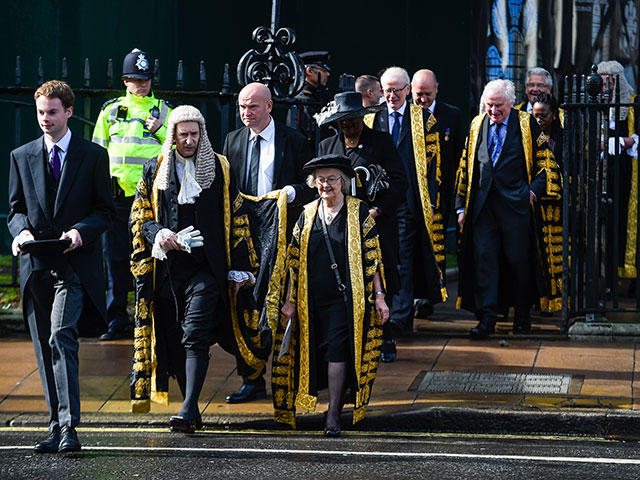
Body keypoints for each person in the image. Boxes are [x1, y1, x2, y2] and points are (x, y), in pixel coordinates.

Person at [129, 105, 253, 433]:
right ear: (172, 135)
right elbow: (140, 217)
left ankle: (185, 410)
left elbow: (238, 216)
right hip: (169, 269)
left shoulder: (221, 167)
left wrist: (239, 269)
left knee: (195, 334)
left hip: (207, 269)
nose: (189, 140)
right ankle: (193, 407)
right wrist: (161, 235)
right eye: (182, 134)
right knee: (174, 337)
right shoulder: (153, 169)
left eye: (194, 134)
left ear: (202, 133)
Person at [8, 80, 115, 452]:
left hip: (74, 266)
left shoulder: (93, 155)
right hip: (36, 264)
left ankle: (69, 427)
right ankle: (55, 425)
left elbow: (106, 211)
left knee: (59, 335)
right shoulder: (21, 156)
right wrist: (19, 232)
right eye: (40, 112)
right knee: (43, 346)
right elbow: (15, 208)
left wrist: (80, 233)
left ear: (68, 111)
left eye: (52, 112)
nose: (45, 119)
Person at [272, 154, 389, 435]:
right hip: (310, 301)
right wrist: (288, 300)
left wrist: (381, 297)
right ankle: (324, 404)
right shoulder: (307, 214)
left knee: (337, 351)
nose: (326, 185)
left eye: (332, 179)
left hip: (345, 300)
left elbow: (374, 258)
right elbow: (293, 261)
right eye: (321, 179)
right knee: (317, 352)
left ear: (343, 182)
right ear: (314, 183)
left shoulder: (358, 212)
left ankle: (333, 413)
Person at [222, 82, 313, 403]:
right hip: (246, 238)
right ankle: (251, 378)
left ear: (270, 107)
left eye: (253, 107)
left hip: (283, 237)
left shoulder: (295, 141)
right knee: (246, 304)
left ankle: (287, 377)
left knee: (284, 306)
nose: (246, 113)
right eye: (242, 107)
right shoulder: (232, 141)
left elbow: (311, 186)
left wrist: (292, 192)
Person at [455, 79, 563, 338]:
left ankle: (522, 316)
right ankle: (487, 318)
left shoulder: (526, 124)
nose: (493, 111)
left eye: (499, 106)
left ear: (511, 102)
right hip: (482, 208)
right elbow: (465, 167)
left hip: (516, 208)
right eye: (489, 105)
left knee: (518, 263)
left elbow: (546, 165)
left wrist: (532, 193)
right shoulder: (477, 123)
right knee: (485, 261)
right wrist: (460, 207)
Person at [316, 91, 407, 363]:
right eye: (342, 121)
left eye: (352, 119)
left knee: (379, 277)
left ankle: (386, 334)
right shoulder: (327, 146)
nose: (347, 125)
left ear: (362, 118)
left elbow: (400, 182)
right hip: (339, 229)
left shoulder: (381, 142)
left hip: (375, 225)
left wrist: (377, 211)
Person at [92, 48, 173, 341]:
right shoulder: (110, 111)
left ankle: (150, 316)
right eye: (136, 79)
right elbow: (97, 154)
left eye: (146, 79)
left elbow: (181, 149)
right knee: (114, 260)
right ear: (125, 80)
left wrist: (162, 129)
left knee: (152, 257)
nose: (142, 85)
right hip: (115, 198)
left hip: (151, 200)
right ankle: (116, 320)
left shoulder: (165, 111)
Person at [365, 66, 446, 355]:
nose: (391, 95)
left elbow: (434, 162)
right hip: (379, 201)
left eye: (397, 90)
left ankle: (400, 318)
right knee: (380, 258)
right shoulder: (372, 118)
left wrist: (432, 199)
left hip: (409, 200)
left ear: (408, 90)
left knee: (405, 260)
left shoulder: (424, 119)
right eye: (386, 90)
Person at [411, 69, 465, 318]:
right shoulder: (405, 116)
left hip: (439, 198)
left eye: (427, 94)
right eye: (418, 94)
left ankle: (431, 298)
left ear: (437, 89)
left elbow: (458, 158)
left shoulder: (451, 116)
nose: (422, 99)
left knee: (436, 248)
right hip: (411, 195)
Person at [597, 60, 638, 290]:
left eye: (608, 81)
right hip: (601, 175)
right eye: (601, 81)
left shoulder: (632, 105)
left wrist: (618, 142)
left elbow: (635, 140)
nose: (604, 86)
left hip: (626, 176)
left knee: (624, 224)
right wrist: (623, 142)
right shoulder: (593, 104)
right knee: (605, 228)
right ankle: (605, 282)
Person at [287, 51, 334, 145]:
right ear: (309, 71)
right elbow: (314, 131)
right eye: (324, 70)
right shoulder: (304, 98)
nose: (328, 74)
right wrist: (333, 132)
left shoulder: (317, 94)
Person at [532, 93, 563, 169]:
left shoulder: (563, 137)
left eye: (543, 116)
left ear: (554, 114)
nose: (538, 120)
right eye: (536, 116)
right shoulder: (529, 136)